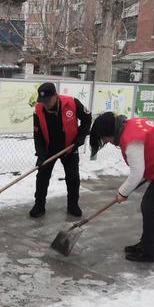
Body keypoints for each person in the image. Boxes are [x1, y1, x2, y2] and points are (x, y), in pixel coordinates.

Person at [90, 112, 154, 263]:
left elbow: (137, 172)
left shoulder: (131, 141)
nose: (107, 142)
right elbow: (146, 159)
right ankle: (147, 244)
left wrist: (122, 193)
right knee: (149, 205)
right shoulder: (129, 125)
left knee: (149, 206)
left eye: (105, 139)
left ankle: (149, 252)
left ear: (110, 133)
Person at [30, 82, 92, 218]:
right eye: (42, 101)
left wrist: (80, 137)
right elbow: (38, 135)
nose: (45, 104)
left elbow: (87, 119)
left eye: (47, 101)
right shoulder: (39, 110)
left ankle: (73, 205)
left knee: (73, 177)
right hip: (48, 148)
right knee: (42, 177)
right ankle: (39, 205)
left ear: (55, 96)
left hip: (70, 147)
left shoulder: (72, 103)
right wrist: (40, 154)